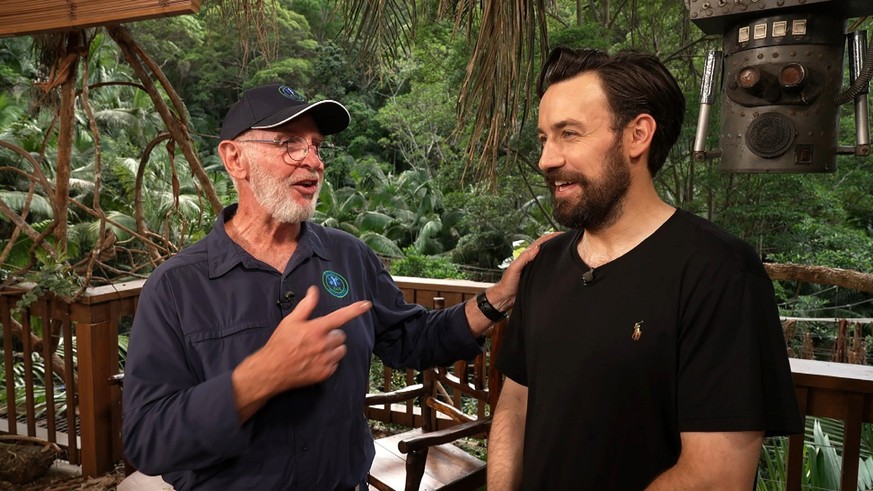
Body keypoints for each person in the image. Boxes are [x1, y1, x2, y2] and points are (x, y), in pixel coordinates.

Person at [121, 83, 547, 491]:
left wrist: (498, 298)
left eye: (317, 146)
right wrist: (258, 378)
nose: (313, 161)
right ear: (235, 159)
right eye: (290, 143)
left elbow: (411, 339)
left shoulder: (349, 256)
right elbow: (148, 441)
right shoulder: (176, 286)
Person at [487, 48, 803, 490]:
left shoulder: (720, 273)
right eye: (544, 138)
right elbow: (516, 403)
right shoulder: (544, 265)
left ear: (637, 135)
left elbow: (716, 477)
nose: (546, 159)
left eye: (569, 134)